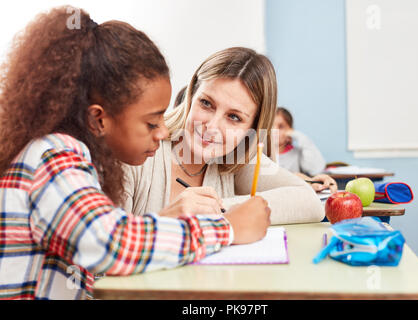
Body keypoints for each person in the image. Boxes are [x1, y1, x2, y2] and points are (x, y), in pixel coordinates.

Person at [0, 7, 270, 300]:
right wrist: (226, 227)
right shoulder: (53, 158)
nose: (164, 132)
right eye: (151, 122)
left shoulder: (80, 161)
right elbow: (109, 243)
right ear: (98, 119)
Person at [121, 47, 325, 225]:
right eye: (206, 103)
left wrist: (215, 209)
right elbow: (104, 253)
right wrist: (170, 219)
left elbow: (310, 203)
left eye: (234, 117)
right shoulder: (137, 151)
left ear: (250, 129)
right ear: (191, 95)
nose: (212, 127)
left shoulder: (236, 158)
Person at [273, 107, 337, 193]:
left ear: (290, 130)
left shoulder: (297, 153)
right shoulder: (261, 154)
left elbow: (316, 169)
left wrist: (297, 135)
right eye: (270, 125)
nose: (274, 130)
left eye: (281, 127)